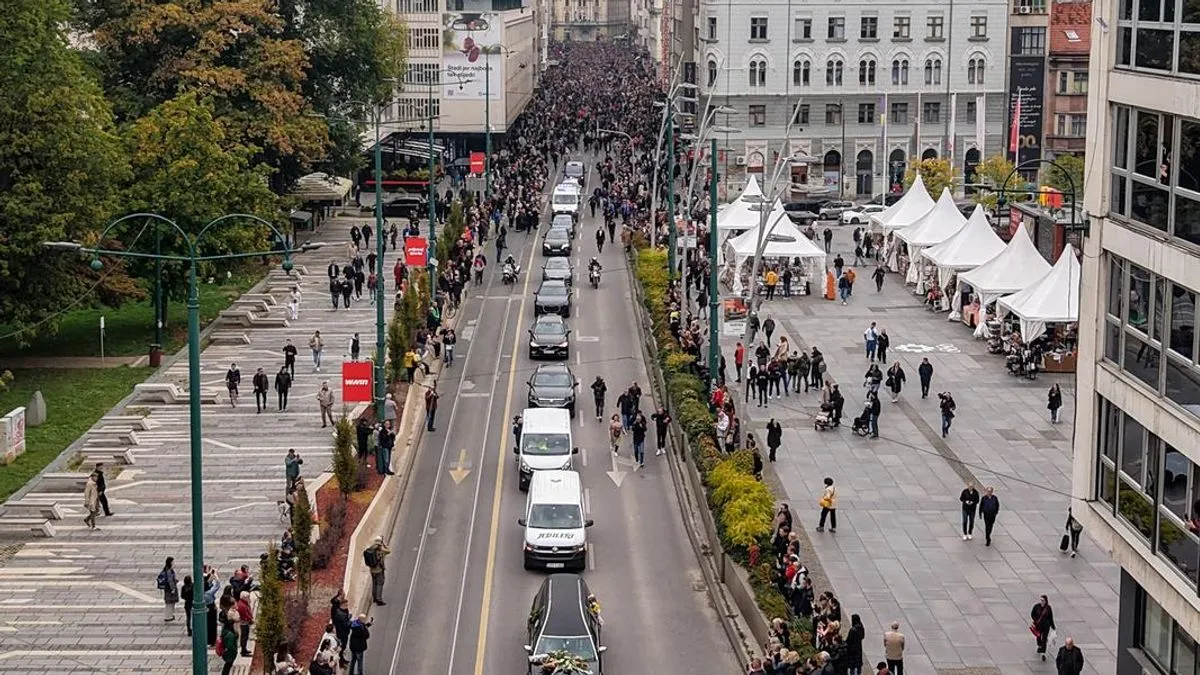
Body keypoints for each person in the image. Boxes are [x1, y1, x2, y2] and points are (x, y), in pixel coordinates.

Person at [1030, 595, 1056, 660]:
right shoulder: (1036, 607)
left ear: (1045, 601)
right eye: (1041, 600)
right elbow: (1032, 614)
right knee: (1038, 637)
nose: (1041, 601)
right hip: (1038, 625)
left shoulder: (1048, 608)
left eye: (1043, 600)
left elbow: (1050, 617)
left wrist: (1053, 626)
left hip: (1046, 626)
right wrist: (1035, 620)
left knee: (1044, 639)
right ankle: (1039, 645)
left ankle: (1043, 653)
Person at [157, 556, 179, 622]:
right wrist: (173, 589)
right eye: (173, 562)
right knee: (170, 603)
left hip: (167, 589)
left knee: (170, 602)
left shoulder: (167, 569)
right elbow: (170, 581)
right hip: (169, 590)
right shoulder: (169, 571)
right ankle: (168, 616)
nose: (174, 563)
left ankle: (170, 615)